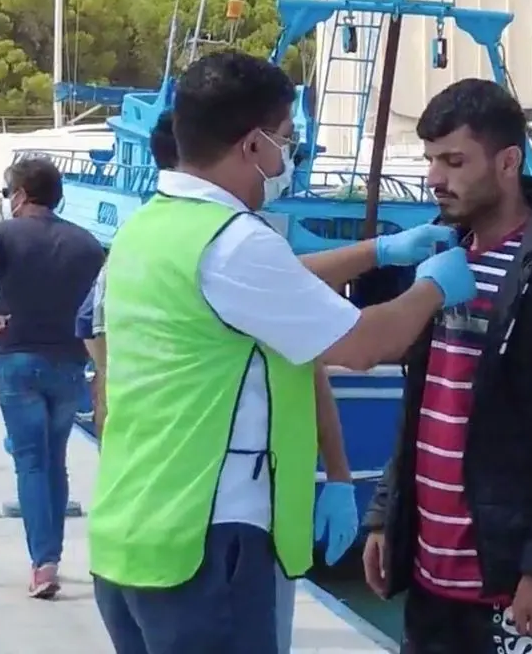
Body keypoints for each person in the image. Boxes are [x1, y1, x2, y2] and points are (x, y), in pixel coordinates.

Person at [88, 50, 476, 654]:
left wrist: (380, 252)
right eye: (288, 140)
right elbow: (365, 343)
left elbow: (270, 283)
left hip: (132, 535)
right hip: (209, 546)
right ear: (252, 146)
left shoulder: (153, 228)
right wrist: (434, 285)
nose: (289, 157)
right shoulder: (234, 243)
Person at [360, 78, 532, 654]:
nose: (435, 178)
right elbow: (427, 399)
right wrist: (388, 515)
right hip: (432, 582)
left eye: (455, 161)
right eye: (431, 160)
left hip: (519, 585)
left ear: (509, 162)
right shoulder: (444, 257)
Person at [0, 157, 105, 599]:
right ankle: (52, 555)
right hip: (70, 365)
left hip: (18, 361)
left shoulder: (4, 235)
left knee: (31, 462)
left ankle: (43, 563)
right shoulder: (87, 244)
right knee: (56, 460)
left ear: (18, 195)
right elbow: (101, 313)